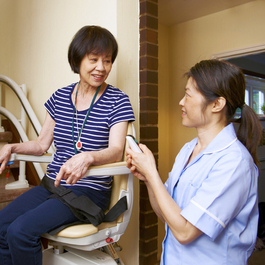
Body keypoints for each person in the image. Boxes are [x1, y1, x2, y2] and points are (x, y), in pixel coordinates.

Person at [0, 25, 135, 265]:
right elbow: (42, 144)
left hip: (88, 192)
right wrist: (12, 148)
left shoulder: (117, 100)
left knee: (20, 231)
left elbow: (116, 151)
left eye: (107, 60)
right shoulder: (59, 98)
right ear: (77, 59)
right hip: (51, 185)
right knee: (2, 225)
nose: (101, 68)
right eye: (93, 59)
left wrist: (88, 157)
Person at [126, 59, 262, 265]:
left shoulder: (234, 162)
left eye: (188, 95)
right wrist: (147, 179)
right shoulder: (189, 149)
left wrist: (153, 173)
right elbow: (167, 216)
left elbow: (184, 232)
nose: (181, 101)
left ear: (217, 104)